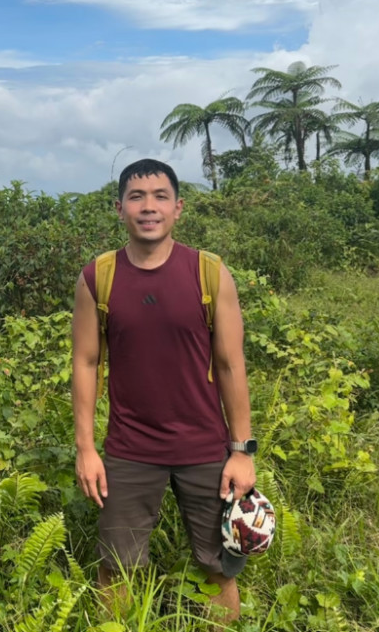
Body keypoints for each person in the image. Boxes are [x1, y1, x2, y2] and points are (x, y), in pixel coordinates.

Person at [71, 159, 256, 622]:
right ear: (119, 208)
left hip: (205, 447)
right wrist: (86, 449)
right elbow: (86, 362)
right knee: (116, 567)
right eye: (136, 197)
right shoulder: (98, 277)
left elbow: (232, 365)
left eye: (159, 197)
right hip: (130, 449)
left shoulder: (210, 274)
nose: (148, 207)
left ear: (178, 207)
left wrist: (242, 451)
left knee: (218, 567)